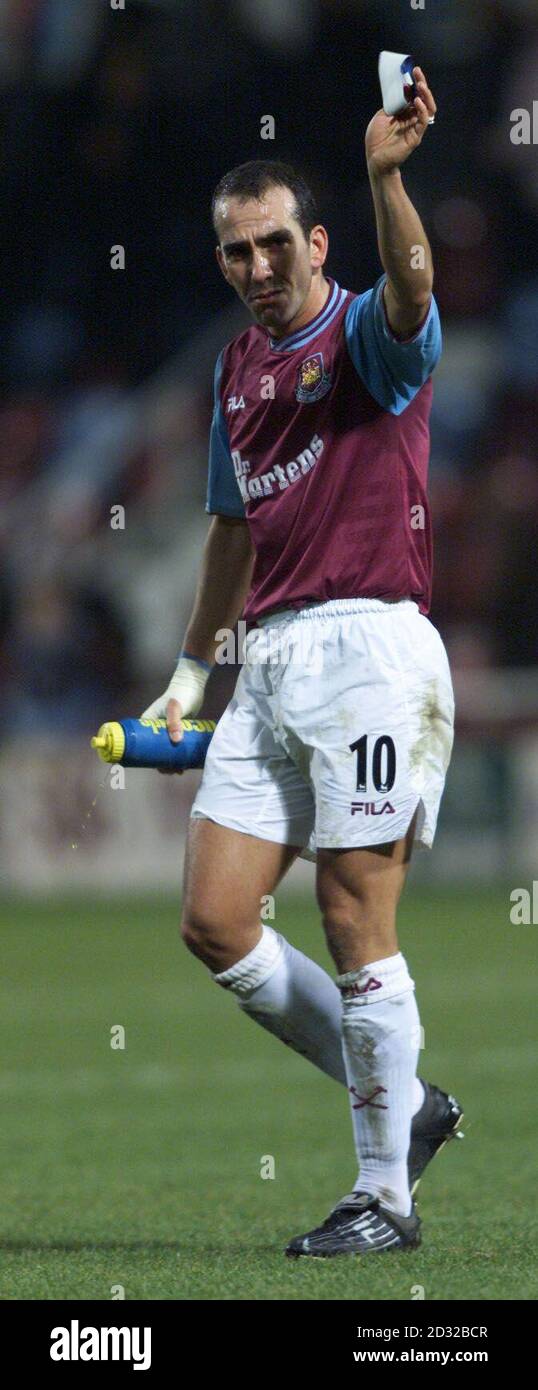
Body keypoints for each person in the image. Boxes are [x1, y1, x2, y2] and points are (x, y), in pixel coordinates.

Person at [143, 67, 463, 1258]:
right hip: (268, 661)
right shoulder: (234, 372)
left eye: (275, 242)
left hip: (371, 644)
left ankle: (385, 1194)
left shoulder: (367, 336)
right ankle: (408, 1099)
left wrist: (390, 176)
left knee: (348, 911)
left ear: (315, 240)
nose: (258, 266)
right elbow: (230, 530)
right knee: (216, 919)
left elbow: (415, 288)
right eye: (236, 252)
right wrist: (188, 682)